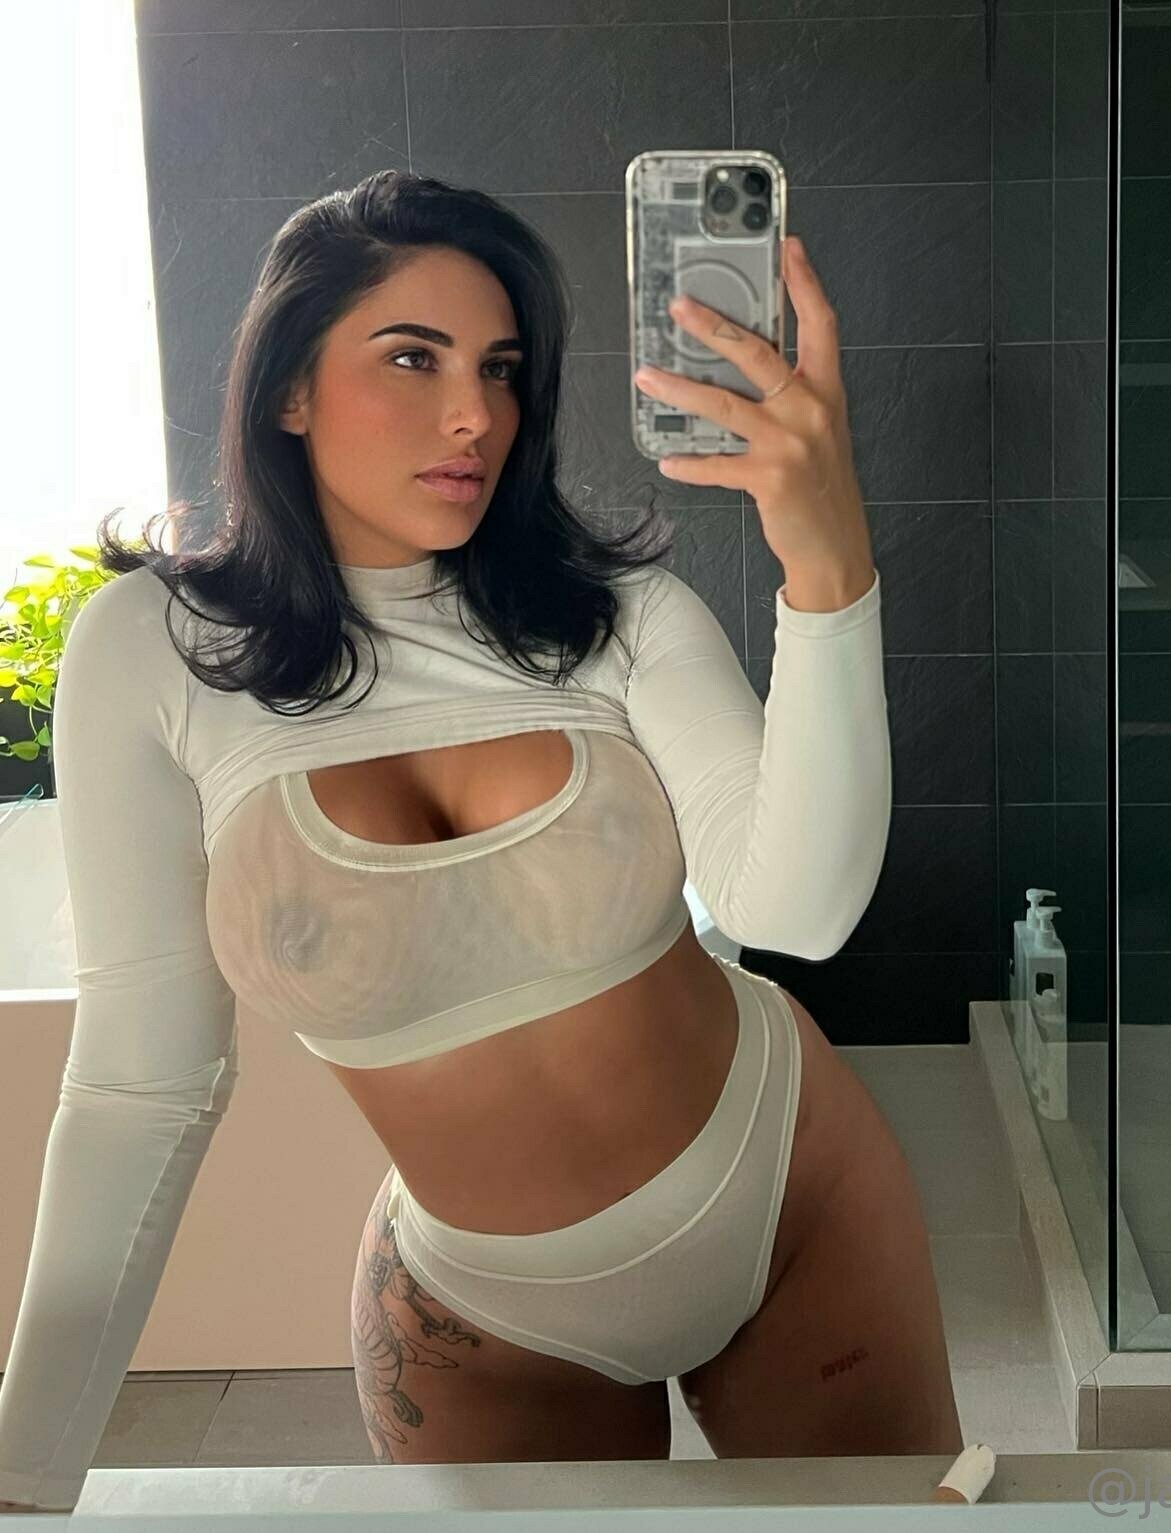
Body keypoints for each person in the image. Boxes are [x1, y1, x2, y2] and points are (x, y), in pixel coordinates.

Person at [0, 170, 961, 1514]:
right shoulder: (154, 653)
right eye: (415, 358)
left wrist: (828, 564)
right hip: (483, 1315)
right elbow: (140, 1084)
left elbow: (795, 909)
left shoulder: (617, 611)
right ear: (288, 388)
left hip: (790, 1196)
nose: (475, 416)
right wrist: (24, 1472)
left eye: (502, 370)